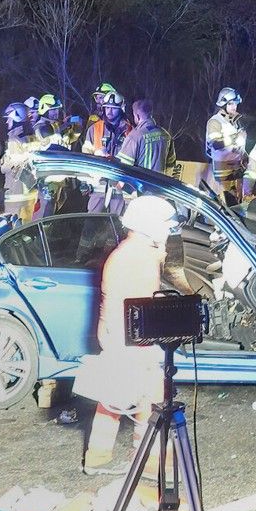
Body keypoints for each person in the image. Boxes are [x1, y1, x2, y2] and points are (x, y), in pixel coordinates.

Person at [79, 195, 179, 473]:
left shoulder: (125, 251)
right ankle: (150, 461)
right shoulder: (141, 257)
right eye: (165, 225)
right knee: (152, 396)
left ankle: (98, 457)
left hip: (115, 333)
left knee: (115, 395)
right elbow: (145, 303)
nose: (168, 231)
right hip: (131, 337)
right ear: (149, 225)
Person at [203, 86, 249, 205]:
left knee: (238, 204)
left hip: (237, 169)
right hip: (223, 173)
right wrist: (235, 137)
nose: (235, 106)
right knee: (226, 205)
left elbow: (238, 146)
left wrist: (245, 157)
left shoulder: (234, 122)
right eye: (231, 104)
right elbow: (216, 144)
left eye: (236, 104)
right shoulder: (215, 122)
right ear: (223, 104)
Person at [0, 102, 41, 219]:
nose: (7, 122)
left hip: (16, 189)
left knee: (13, 223)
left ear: (16, 117)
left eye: (9, 119)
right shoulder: (33, 137)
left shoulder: (15, 139)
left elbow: (10, 166)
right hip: (30, 187)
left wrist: (3, 163)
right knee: (28, 222)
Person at [117, 98, 174, 174]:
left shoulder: (135, 136)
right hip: (160, 184)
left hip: (141, 184)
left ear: (137, 116)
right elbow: (170, 164)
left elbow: (122, 166)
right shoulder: (166, 134)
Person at [82, 86, 128, 158]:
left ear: (121, 110)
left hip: (119, 168)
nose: (109, 111)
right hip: (98, 168)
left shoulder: (128, 130)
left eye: (114, 108)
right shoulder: (93, 129)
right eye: (107, 107)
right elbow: (86, 155)